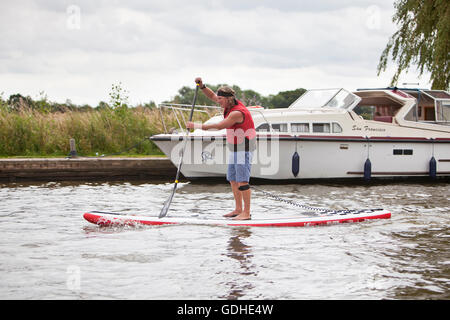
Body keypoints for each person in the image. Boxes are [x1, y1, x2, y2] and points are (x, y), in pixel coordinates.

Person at [186, 77, 256, 220]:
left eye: (220, 100)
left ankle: (246, 213)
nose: (218, 101)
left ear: (229, 99)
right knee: (232, 178)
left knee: (242, 180)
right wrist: (202, 86)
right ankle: (238, 209)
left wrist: (196, 126)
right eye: (218, 99)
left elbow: (219, 126)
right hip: (235, 147)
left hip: (244, 148)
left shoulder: (237, 112)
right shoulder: (228, 105)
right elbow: (212, 95)